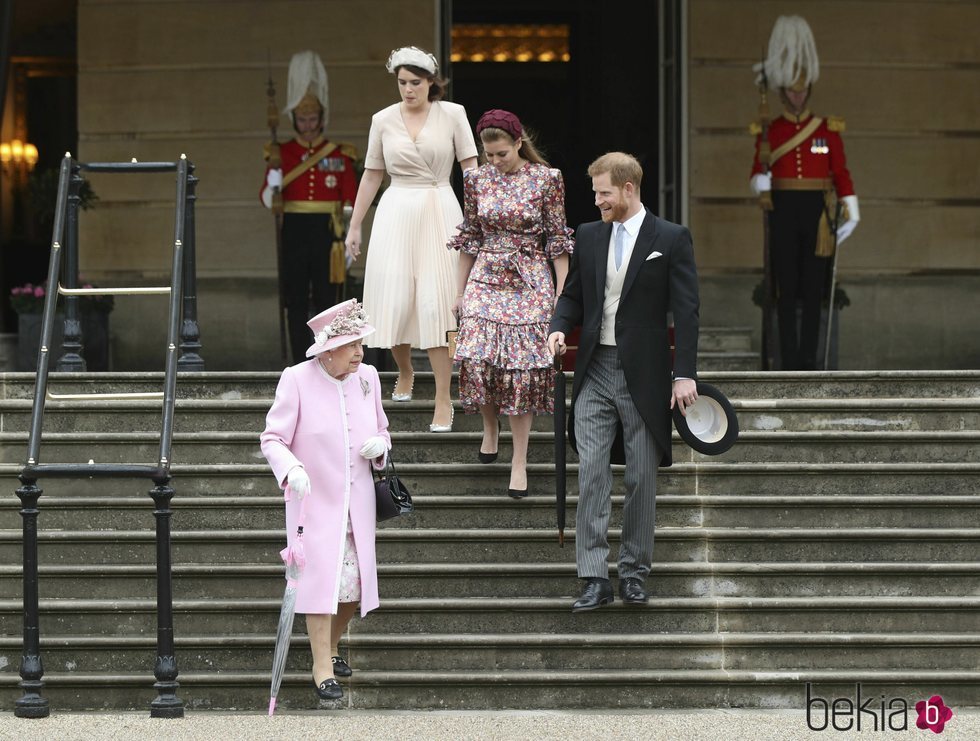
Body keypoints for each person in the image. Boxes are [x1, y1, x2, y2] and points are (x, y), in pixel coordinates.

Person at [547, 152, 700, 612]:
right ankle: (593, 577)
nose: (597, 202)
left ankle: (633, 573)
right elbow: (573, 294)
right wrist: (558, 325)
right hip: (594, 369)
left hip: (646, 375)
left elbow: (687, 310)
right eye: (595, 193)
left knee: (639, 478)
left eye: (603, 193)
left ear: (628, 189)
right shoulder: (590, 236)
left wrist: (684, 373)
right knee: (592, 473)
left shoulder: (670, 238)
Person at [260, 298, 390, 701]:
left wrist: (379, 446)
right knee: (321, 585)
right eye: (351, 345)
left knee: (354, 587)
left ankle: (331, 648)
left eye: (360, 344)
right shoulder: (296, 379)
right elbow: (272, 439)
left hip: (359, 503)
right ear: (327, 349)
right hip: (314, 503)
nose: (359, 353)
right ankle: (321, 668)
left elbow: (383, 430)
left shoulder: (368, 377)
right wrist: (291, 469)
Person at [344, 46, 478, 432]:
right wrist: (355, 225)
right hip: (396, 209)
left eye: (415, 82)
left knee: (437, 303)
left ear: (432, 82)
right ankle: (404, 370)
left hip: (440, 206)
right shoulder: (383, 119)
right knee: (396, 297)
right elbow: (372, 174)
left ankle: (442, 397)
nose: (408, 89)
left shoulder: (452, 114)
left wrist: (478, 218)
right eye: (402, 82)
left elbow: (470, 168)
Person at [449, 109, 573, 497]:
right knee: (476, 357)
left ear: (519, 143)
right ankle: (490, 425)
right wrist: (460, 291)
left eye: (502, 153)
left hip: (529, 276)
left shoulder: (547, 179)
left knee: (521, 370)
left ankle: (519, 460)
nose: (496, 161)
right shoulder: (475, 180)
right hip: (485, 273)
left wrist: (561, 294)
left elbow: (556, 240)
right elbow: (470, 237)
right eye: (490, 155)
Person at [750, 15, 860, 370]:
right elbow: (757, 168)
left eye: (802, 90)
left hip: (816, 211)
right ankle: (789, 360)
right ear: (782, 92)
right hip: (782, 207)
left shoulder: (827, 129)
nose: (797, 96)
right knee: (786, 286)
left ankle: (810, 360)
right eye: (792, 90)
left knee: (814, 288)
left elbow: (840, 171)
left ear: (808, 90)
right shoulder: (771, 129)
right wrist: (760, 182)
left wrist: (851, 207)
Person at [261, 50, 358, 365]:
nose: (307, 124)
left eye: (312, 118)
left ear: (321, 118)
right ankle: (300, 359)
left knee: (329, 299)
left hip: (328, 232)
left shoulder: (339, 154)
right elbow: (266, 199)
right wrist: (274, 182)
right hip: (295, 229)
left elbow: (350, 200)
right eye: (302, 119)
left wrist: (346, 238)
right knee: (296, 298)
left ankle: (330, 356)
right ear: (294, 119)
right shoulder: (281, 152)